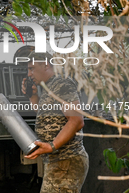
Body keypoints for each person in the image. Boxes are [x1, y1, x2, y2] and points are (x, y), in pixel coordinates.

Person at [22, 52, 89, 193]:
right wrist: (33, 96)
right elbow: (46, 115)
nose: (29, 74)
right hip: (59, 162)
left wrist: (52, 145)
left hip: (67, 160)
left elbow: (76, 120)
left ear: (45, 65)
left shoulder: (62, 84)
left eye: (32, 68)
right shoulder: (50, 86)